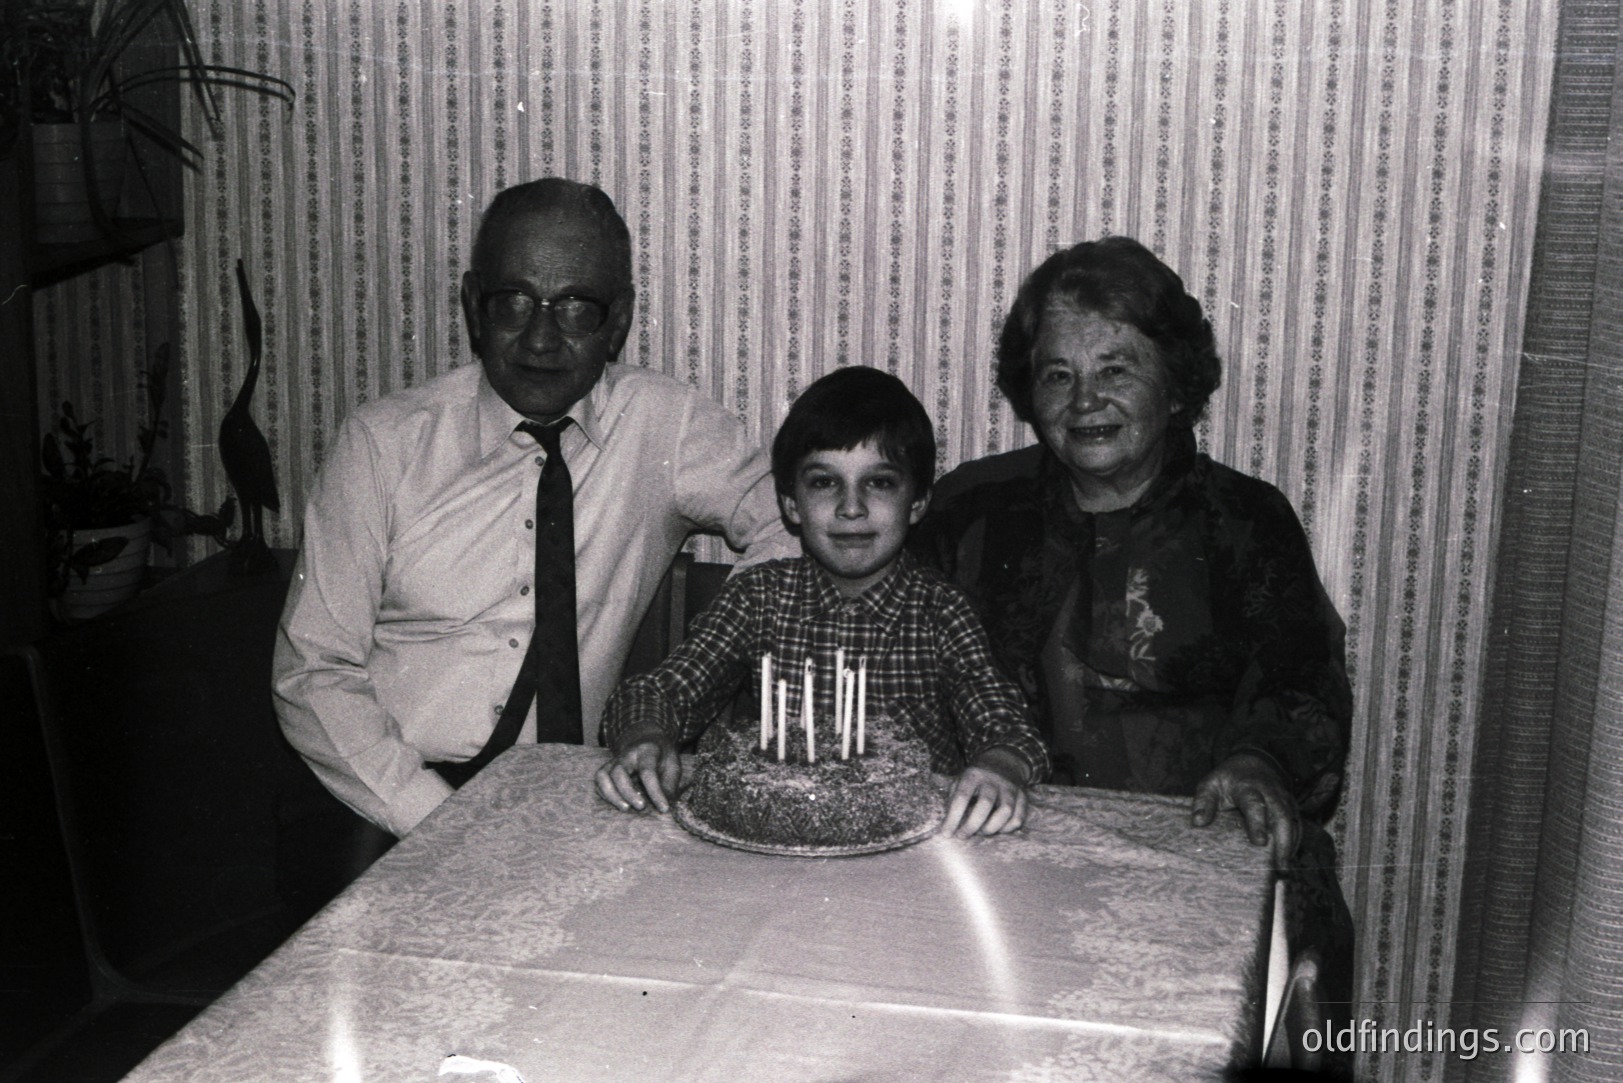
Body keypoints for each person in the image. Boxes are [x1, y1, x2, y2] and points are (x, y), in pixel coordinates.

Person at [910, 237, 1353, 1066]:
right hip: (1004, 873)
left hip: (1199, 872)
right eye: (1057, 374)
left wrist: (1260, 760)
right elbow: (890, 653)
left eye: (1115, 368)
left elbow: (1303, 680)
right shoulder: (972, 509)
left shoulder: (1246, 522)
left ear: (1175, 382)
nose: (1085, 400)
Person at [273, 178, 794, 842]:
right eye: (513, 302)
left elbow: (797, 521)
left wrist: (699, 661)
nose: (541, 339)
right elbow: (312, 670)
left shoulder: (662, 425)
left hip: (563, 804)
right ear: (472, 305)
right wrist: (436, 820)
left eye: (576, 307)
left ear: (620, 319)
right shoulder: (383, 443)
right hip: (381, 807)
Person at [594, 366, 1050, 836]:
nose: (851, 507)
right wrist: (645, 736)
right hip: (776, 841)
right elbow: (658, 691)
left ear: (917, 503)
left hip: (908, 847)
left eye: (880, 482)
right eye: (824, 482)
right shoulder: (759, 598)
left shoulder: (941, 612)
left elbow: (1004, 724)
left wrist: (1000, 767)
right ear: (791, 504)